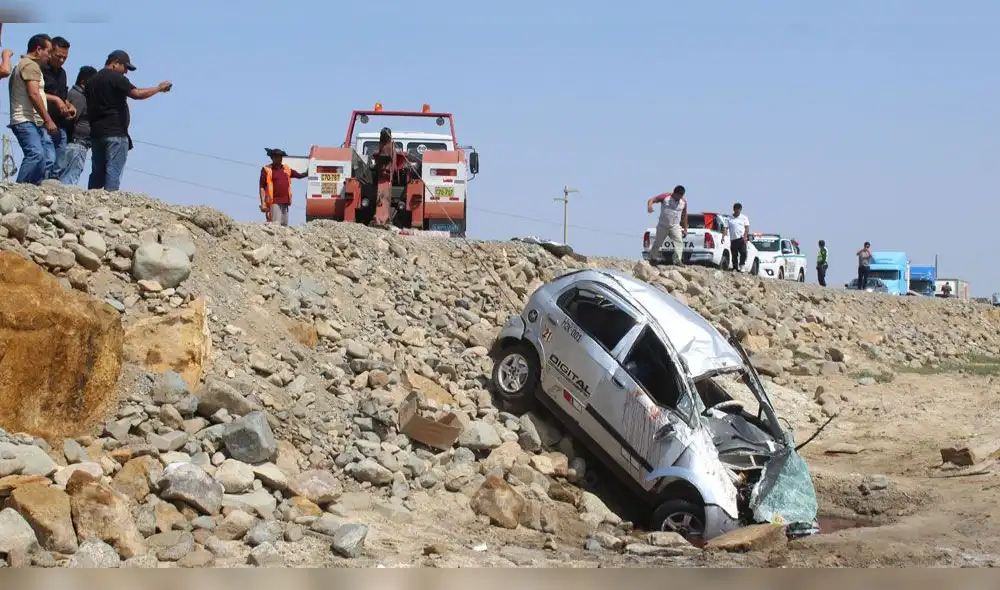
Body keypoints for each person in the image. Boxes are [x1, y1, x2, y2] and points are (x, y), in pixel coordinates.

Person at [85, 50, 172, 191]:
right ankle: (109, 201)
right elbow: (136, 93)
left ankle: (91, 200)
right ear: (115, 63)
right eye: (125, 67)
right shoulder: (116, 78)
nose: (125, 72)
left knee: (97, 172)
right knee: (113, 172)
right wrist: (158, 88)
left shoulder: (91, 81)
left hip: (96, 133)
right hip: (115, 133)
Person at [7, 34, 57, 186]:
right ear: (38, 50)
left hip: (30, 121)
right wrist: (48, 120)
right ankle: (18, 189)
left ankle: (32, 190)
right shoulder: (30, 66)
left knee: (44, 159)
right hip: (24, 119)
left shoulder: (23, 64)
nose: (49, 56)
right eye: (48, 52)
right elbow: (34, 94)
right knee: (36, 154)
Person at [41, 36, 74, 180]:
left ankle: (53, 184)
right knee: (48, 157)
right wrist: (56, 100)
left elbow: (62, 96)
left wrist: (69, 105)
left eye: (64, 58)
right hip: (44, 120)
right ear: (50, 52)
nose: (61, 60)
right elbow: (36, 93)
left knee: (60, 159)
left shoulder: (62, 73)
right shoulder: (41, 69)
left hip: (60, 122)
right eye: (58, 56)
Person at [58, 65, 97, 185]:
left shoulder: (74, 95)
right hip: (76, 144)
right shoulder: (78, 97)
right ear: (84, 82)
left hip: (75, 143)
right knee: (69, 179)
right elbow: (71, 120)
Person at [259, 148, 307, 226]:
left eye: (280, 157)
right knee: (275, 225)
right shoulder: (267, 170)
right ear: (272, 158)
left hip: (285, 202)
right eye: (277, 157)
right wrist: (263, 203)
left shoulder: (286, 169)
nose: (279, 158)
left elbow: (299, 175)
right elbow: (262, 187)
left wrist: (309, 172)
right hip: (274, 202)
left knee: (284, 227)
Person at [645, 185, 688, 265]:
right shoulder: (665, 196)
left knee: (679, 242)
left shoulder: (683, 202)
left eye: (681, 196)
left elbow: (684, 216)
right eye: (678, 196)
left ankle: (677, 260)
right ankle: (653, 258)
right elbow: (652, 200)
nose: (679, 198)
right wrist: (650, 206)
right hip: (663, 225)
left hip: (675, 226)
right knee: (658, 242)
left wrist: (685, 229)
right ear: (674, 193)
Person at [726, 202, 750, 272]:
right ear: (734, 209)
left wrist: (745, 237)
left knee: (743, 252)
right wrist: (723, 236)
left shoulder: (744, 218)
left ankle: (742, 265)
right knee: (734, 254)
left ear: (741, 210)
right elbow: (725, 227)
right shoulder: (729, 218)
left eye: (739, 210)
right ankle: (735, 267)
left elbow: (747, 228)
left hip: (741, 238)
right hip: (733, 239)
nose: (737, 211)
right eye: (736, 209)